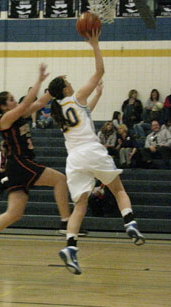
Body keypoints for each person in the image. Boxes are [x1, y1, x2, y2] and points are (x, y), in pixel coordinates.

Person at [47, 30, 145, 275]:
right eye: (67, 81)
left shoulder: (59, 110)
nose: (71, 82)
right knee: (118, 189)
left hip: (74, 160)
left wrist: (98, 95)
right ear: (64, 88)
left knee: (80, 205)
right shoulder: (77, 96)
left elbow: (84, 115)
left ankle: (70, 246)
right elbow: (99, 71)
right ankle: (130, 222)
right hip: (92, 150)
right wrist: (95, 44)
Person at [0, 64, 72, 262]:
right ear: (3, 107)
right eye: (10, 99)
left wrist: (54, 87)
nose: (14, 100)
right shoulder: (5, 119)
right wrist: (40, 80)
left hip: (18, 166)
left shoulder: (19, 115)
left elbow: (40, 102)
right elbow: (26, 104)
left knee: (14, 213)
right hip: (19, 162)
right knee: (60, 180)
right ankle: (66, 222)